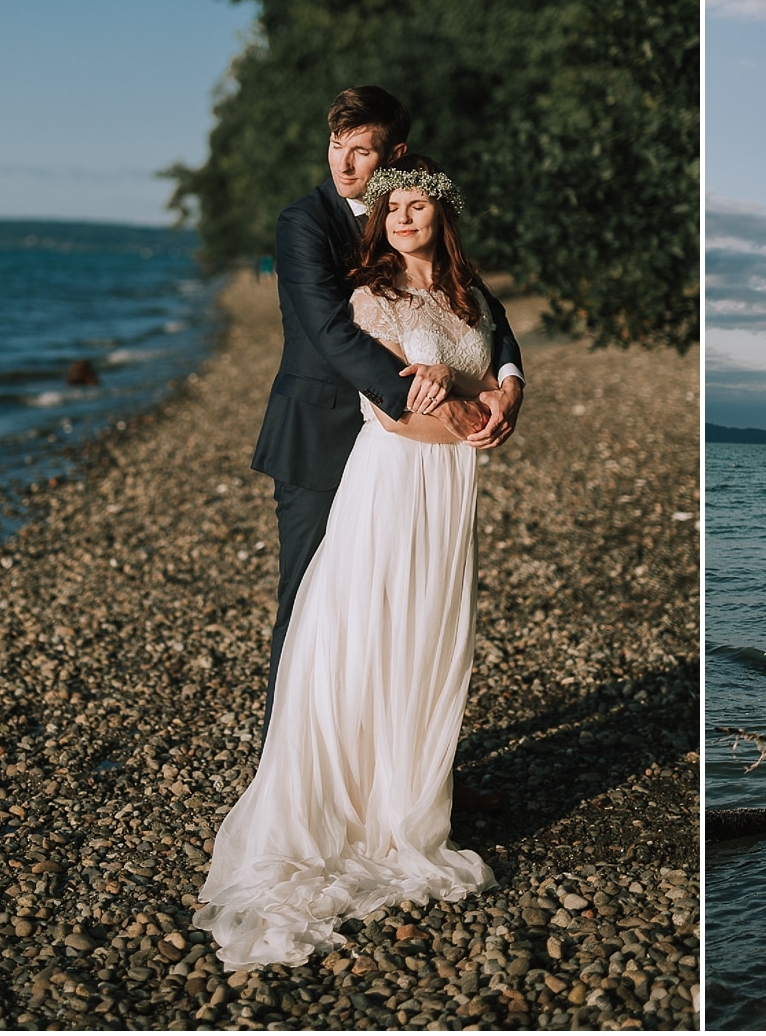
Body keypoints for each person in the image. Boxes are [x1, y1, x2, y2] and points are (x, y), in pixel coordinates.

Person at [198, 153, 515, 967]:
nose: (405, 216)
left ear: (443, 213)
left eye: (418, 204)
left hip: (451, 492)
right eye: (393, 206)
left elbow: (498, 344)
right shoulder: (373, 296)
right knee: (368, 632)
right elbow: (392, 412)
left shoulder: (469, 296)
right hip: (397, 482)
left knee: (427, 641)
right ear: (379, 218)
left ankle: (413, 793)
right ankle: (347, 807)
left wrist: (505, 392)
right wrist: (473, 419)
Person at [246, 86, 523, 736]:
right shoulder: (304, 222)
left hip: (409, 453)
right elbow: (329, 332)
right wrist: (437, 405)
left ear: (393, 155)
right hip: (323, 434)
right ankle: (291, 770)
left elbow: (487, 313)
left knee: (407, 612)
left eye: (360, 150)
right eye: (336, 147)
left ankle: (406, 776)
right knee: (314, 605)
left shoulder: (412, 215)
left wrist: (508, 380)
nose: (342, 165)